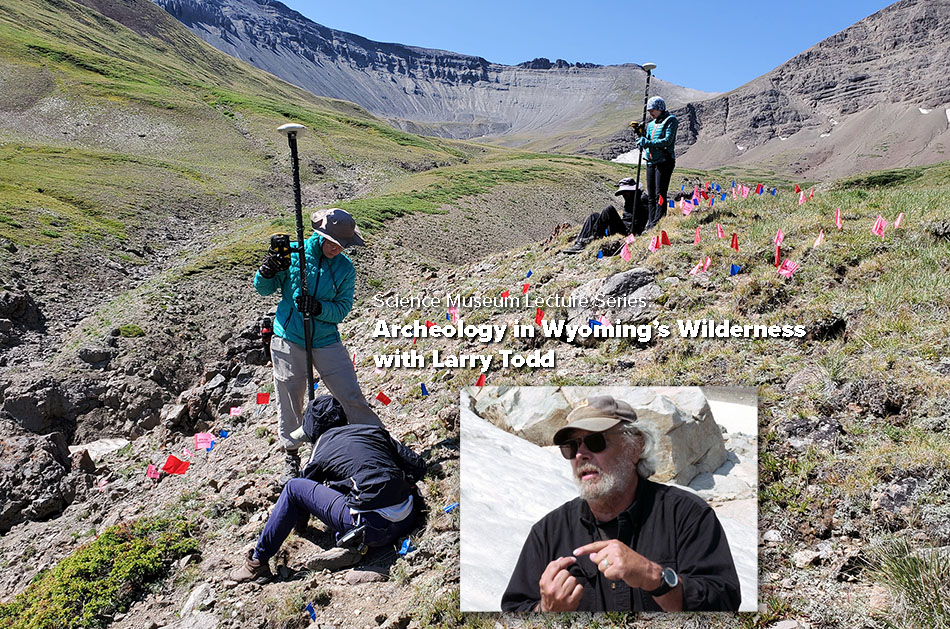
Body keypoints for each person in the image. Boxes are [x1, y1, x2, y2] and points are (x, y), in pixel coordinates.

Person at [500, 396, 740, 612]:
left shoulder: (688, 515)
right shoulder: (548, 532)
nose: (580, 454)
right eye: (571, 447)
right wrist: (545, 612)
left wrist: (653, 577)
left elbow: (724, 603)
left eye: (595, 441)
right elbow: (513, 611)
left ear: (635, 447)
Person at [229, 395, 427, 583]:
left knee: (292, 487)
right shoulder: (373, 431)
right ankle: (354, 544)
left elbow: (301, 495)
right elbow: (418, 465)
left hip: (371, 527)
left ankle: (256, 564)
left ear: (313, 431)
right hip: (407, 518)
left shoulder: (322, 447)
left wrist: (301, 528)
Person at [254, 208, 382, 483]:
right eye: (333, 243)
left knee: (350, 393)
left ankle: (377, 439)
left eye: (343, 245)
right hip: (288, 336)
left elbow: (342, 309)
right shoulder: (293, 255)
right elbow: (264, 289)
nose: (338, 249)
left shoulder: (345, 269)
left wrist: (319, 308)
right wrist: (266, 272)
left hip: (325, 339)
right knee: (291, 398)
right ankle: (291, 452)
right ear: (319, 235)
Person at [562, 178, 649, 255]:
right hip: (622, 227)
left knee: (609, 210)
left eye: (625, 192)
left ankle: (593, 238)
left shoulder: (642, 198)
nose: (623, 195)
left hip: (629, 231)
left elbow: (645, 215)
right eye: (623, 193)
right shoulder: (629, 199)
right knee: (594, 216)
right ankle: (580, 242)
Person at [636, 96, 678, 231]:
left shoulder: (671, 120)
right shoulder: (651, 124)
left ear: (660, 108)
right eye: (649, 111)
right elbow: (647, 139)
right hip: (651, 161)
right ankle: (651, 221)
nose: (650, 113)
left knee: (660, 192)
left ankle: (659, 220)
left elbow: (667, 141)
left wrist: (648, 143)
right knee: (651, 194)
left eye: (652, 110)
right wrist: (640, 134)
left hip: (664, 161)